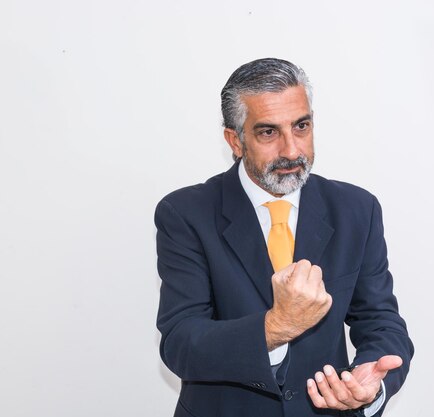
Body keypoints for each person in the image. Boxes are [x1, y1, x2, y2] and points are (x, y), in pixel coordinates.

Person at [154, 58, 414, 417]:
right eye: (268, 132)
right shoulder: (185, 213)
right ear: (236, 140)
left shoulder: (357, 208)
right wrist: (276, 327)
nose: (292, 151)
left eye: (301, 126)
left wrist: (369, 384)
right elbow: (181, 343)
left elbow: (380, 320)